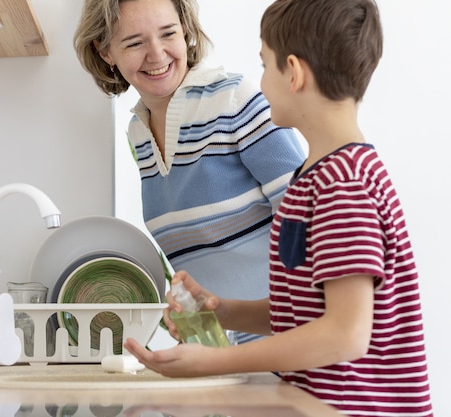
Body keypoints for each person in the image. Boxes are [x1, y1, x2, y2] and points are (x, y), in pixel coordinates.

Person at [123, 0, 433, 416]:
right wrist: (225, 310)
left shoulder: (344, 185)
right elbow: (306, 311)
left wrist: (219, 362)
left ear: (294, 73)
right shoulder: (311, 181)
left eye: (265, 65)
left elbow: (347, 334)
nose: (260, 82)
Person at [74, 0, 305, 344]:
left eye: (168, 33)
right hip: (222, 362)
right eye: (135, 42)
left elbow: (309, 226)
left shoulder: (234, 101)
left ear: (184, 29)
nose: (157, 54)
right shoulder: (138, 132)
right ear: (105, 51)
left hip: (288, 350)